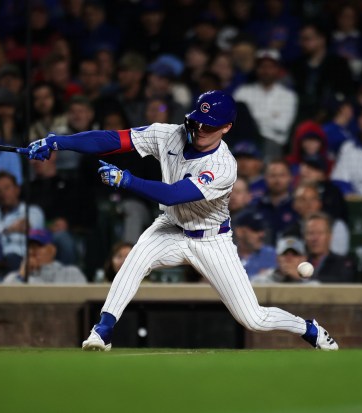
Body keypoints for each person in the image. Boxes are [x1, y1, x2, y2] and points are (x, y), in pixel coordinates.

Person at [21, 89, 338, 351]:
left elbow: (174, 194)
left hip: (212, 238)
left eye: (210, 125)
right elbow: (112, 139)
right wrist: (57, 141)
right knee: (134, 260)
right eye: (198, 121)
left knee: (252, 318)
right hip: (170, 227)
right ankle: (102, 332)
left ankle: (307, 329)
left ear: (227, 127)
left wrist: (127, 181)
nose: (201, 129)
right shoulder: (167, 134)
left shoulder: (224, 166)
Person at [0, 171, 45, 271]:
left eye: (7, 188)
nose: (2, 193)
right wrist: (9, 229)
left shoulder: (32, 211)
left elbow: (30, 228)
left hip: (23, 260)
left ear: (17, 189)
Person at [3, 229, 86, 284]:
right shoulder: (15, 277)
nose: (32, 251)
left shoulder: (71, 273)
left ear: (52, 250)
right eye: (30, 247)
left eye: (38, 246)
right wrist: (22, 276)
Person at [303, 212, 356, 283]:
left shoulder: (343, 264)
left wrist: (303, 277)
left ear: (329, 236)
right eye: (311, 233)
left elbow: (342, 282)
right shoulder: (300, 262)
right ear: (304, 237)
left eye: (320, 233)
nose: (315, 238)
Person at [232, 209, 277, 281]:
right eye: (255, 230)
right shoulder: (226, 256)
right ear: (239, 231)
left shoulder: (272, 255)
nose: (262, 235)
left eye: (262, 230)